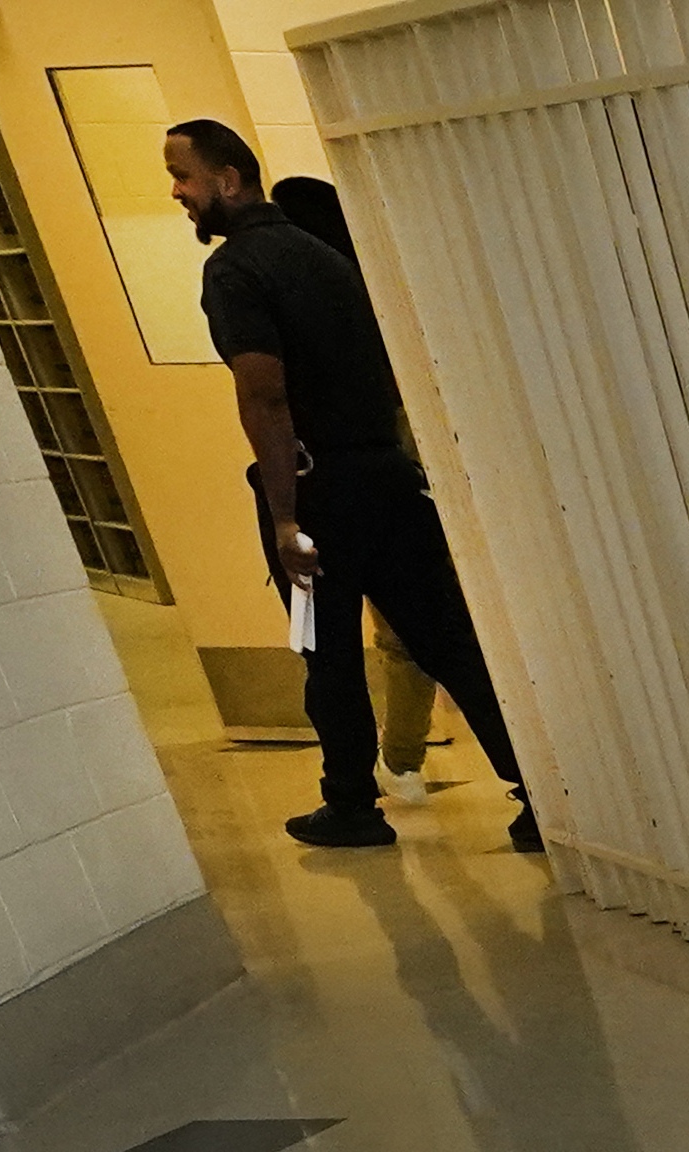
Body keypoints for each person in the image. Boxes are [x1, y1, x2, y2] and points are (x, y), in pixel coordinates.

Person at [161, 120, 539, 856]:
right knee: (449, 643)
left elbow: (264, 397)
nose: (176, 191)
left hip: (317, 489)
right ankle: (537, 793)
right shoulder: (330, 260)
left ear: (228, 181)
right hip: (388, 480)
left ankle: (352, 807)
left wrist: (282, 519)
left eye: (183, 175)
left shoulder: (236, 271)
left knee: (327, 654)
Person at [256, 176, 443, 800]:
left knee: (356, 642)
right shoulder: (384, 288)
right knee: (440, 627)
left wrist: (284, 514)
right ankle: (493, 767)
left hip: (348, 477)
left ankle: (394, 767)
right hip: (415, 468)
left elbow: (271, 398)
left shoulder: (298, 299)